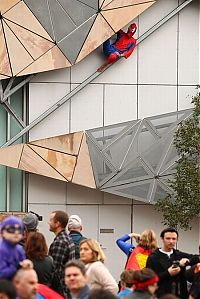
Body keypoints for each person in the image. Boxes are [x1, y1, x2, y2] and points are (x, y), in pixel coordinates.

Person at [146, 227, 199, 299]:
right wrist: (167, 273)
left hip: (180, 294)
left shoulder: (178, 254)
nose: (171, 241)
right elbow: (148, 279)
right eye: (168, 238)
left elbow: (197, 258)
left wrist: (188, 261)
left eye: (174, 239)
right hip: (161, 295)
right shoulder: (153, 257)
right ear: (162, 239)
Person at [48, 210, 75, 297]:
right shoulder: (67, 239)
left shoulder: (60, 242)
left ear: (57, 223)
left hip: (60, 292)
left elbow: (56, 271)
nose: (48, 222)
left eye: (51, 220)